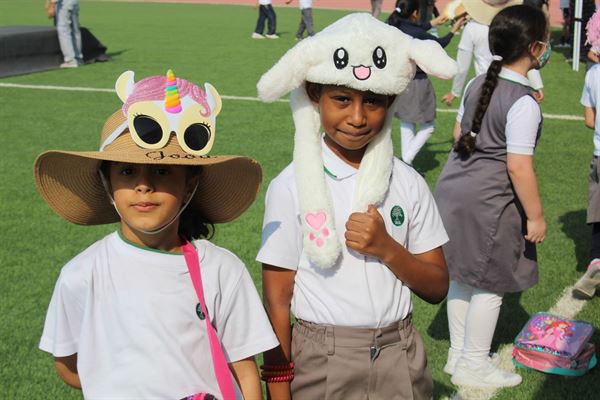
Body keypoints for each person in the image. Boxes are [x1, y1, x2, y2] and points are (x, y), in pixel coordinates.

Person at [36, 70, 279, 399]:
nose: (144, 185)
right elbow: (68, 366)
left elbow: (245, 368)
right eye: (127, 170)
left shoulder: (222, 269)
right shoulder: (81, 274)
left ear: (190, 184)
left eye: (163, 171)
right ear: (107, 184)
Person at [256, 13, 457, 400]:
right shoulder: (290, 185)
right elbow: (277, 300)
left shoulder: (408, 183)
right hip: (321, 357)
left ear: (392, 101)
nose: (358, 117)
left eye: (374, 102)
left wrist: (387, 248)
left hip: (399, 351)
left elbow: (437, 286)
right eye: (342, 99)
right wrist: (278, 393)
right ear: (316, 96)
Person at [434, 5, 548, 388]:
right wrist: (535, 217)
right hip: (489, 200)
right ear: (534, 47)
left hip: (453, 189)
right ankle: (474, 363)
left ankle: (457, 356)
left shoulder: (477, 82)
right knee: (490, 284)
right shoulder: (524, 101)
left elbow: (457, 135)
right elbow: (518, 167)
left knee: (462, 277)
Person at [388, 0, 466, 166]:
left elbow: (415, 29)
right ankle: (407, 160)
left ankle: (406, 166)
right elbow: (440, 43)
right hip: (418, 84)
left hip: (400, 82)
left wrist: (432, 23)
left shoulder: (393, 25)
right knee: (428, 126)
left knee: (406, 124)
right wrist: (454, 30)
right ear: (415, 13)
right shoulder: (416, 31)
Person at [441, 0, 545, 106]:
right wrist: (537, 85)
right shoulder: (512, 26)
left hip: (484, 86)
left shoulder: (471, 28)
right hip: (512, 87)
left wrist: (454, 92)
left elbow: (463, 66)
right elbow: (525, 56)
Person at [574, 9, 600, 299]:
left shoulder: (593, 74)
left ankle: (595, 260)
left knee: (598, 214)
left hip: (599, 155)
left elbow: (589, 120)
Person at [48, 0, 83, 68]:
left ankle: (70, 60)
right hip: (74, 2)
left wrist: (52, 4)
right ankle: (78, 58)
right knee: (75, 30)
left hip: (64, 4)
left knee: (63, 30)